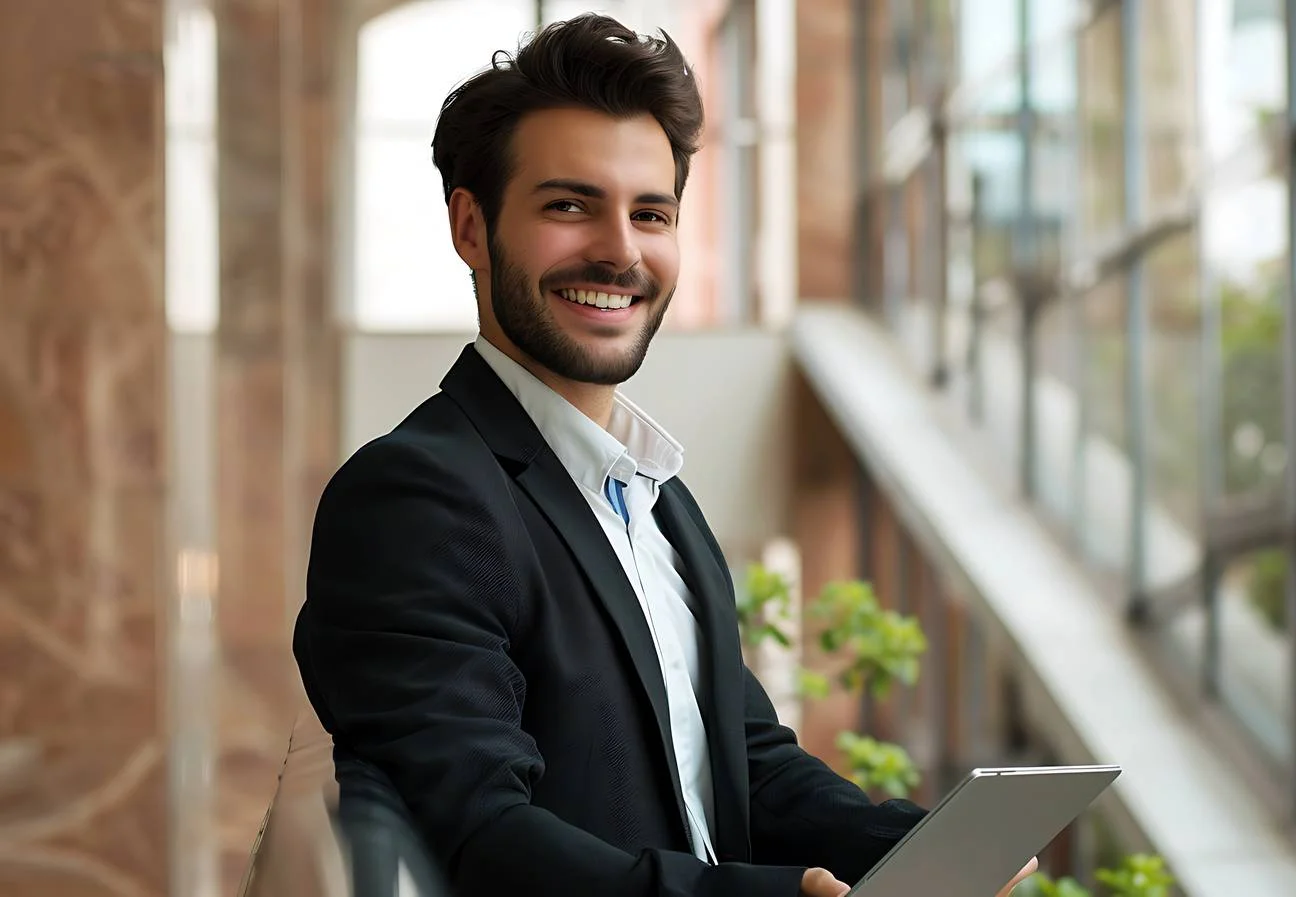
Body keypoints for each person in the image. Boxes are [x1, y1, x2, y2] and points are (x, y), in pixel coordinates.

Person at [292, 13, 1036, 897]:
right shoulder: (415, 499)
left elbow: (743, 761)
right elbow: (476, 836)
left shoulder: (654, 499)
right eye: (569, 205)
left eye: (651, 212)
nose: (620, 249)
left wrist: (919, 848)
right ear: (470, 229)